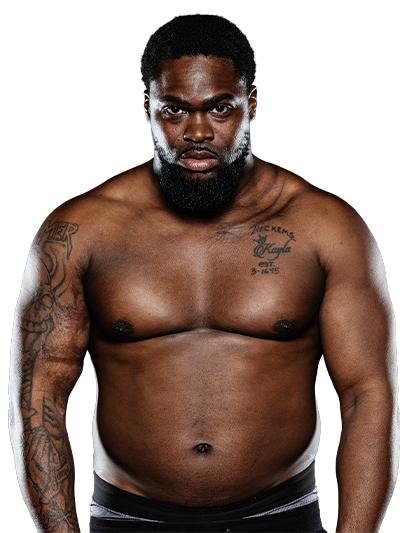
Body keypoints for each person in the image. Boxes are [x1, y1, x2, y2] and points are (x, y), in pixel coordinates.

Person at [9, 13, 399, 533]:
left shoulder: (325, 227)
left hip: (280, 517)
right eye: (174, 109)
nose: (197, 133)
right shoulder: (81, 230)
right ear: (147, 107)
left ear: (251, 104)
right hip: (129, 518)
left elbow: (367, 394)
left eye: (220, 108)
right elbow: (40, 395)